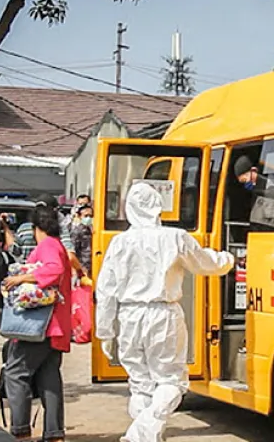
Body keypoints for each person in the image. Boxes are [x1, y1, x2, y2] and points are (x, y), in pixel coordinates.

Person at [95, 182, 234, 442]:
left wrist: (105, 331)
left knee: (140, 383)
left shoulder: (118, 242)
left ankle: (147, 434)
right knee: (172, 381)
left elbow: (105, 290)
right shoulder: (175, 237)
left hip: (129, 316)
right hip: (163, 315)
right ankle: (143, 431)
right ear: (159, 206)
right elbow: (205, 263)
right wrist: (230, 259)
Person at [2, 207, 72, 442]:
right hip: (55, 325)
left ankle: (20, 429)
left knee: (15, 372)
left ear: (35, 229)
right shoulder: (58, 244)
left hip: (39, 325)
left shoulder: (48, 245)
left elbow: (54, 270)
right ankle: (54, 433)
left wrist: (20, 278)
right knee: (48, 377)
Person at [1, 194, 74, 262]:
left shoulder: (24, 229)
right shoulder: (60, 230)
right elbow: (70, 255)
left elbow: (14, 250)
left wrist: (5, 227)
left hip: (27, 273)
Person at [71, 204, 93, 276]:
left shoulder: (92, 230)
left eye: (91, 216)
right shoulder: (77, 232)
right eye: (86, 216)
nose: (89, 218)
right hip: (82, 268)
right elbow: (73, 251)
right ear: (80, 217)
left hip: (92, 266)